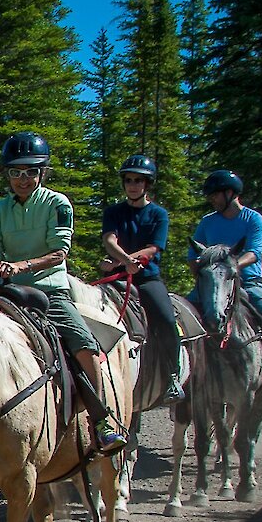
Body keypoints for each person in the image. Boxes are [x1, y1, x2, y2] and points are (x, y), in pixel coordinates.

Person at [0, 131, 130, 456]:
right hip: (7, 294)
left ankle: (102, 422)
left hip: (50, 292)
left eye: (31, 171)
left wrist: (18, 267)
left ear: (42, 173)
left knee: (85, 347)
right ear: (6, 174)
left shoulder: (57, 203)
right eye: (16, 172)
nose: (23, 179)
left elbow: (59, 252)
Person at [189, 169, 262, 398]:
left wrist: (230, 266)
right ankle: (180, 376)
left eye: (215, 194)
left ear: (230, 193)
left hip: (249, 283)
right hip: (213, 283)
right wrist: (203, 269)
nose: (211, 199)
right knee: (181, 316)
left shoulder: (253, 219)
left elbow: (254, 252)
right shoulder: (207, 223)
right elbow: (193, 255)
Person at [99, 154, 186, 403]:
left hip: (146, 279)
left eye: (138, 180)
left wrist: (122, 261)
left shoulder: (158, 215)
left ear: (147, 184)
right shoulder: (114, 212)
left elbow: (153, 248)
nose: (133, 185)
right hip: (115, 278)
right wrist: (123, 262)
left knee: (167, 320)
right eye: (128, 180)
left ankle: (172, 376)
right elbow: (109, 240)